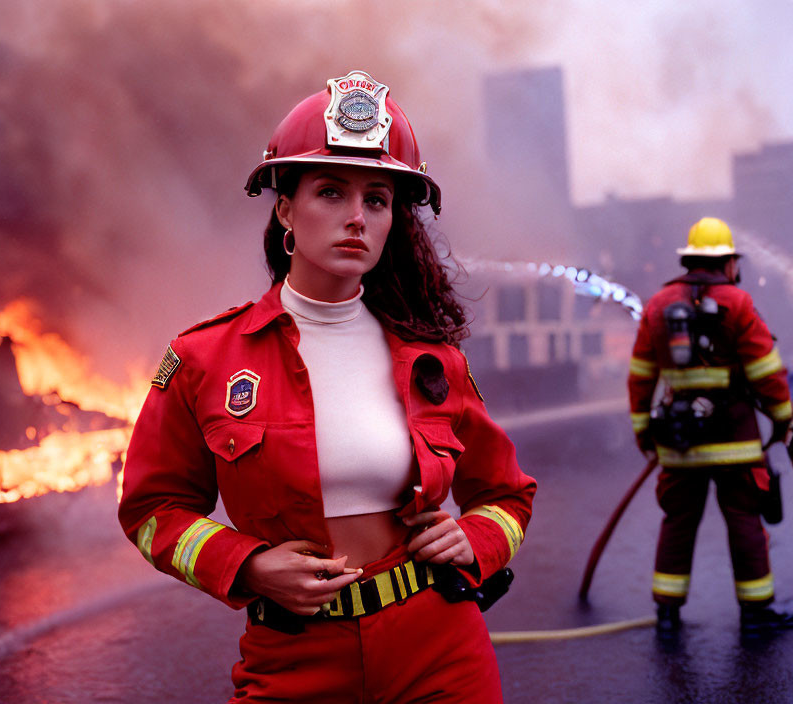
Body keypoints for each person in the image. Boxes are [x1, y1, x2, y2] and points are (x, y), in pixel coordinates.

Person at [118, 70, 536, 703]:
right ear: (285, 206)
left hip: (440, 650)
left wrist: (474, 537)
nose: (356, 218)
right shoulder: (202, 358)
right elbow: (152, 511)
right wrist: (248, 565)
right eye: (331, 192)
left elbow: (507, 493)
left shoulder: (433, 360)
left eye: (377, 199)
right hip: (293, 657)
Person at [627, 216, 793, 637]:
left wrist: (645, 431)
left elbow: (641, 374)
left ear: (690, 259)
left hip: (678, 441)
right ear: (729, 263)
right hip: (735, 442)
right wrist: (783, 419)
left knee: (677, 523)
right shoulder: (737, 303)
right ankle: (756, 615)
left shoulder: (659, 304)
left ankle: (667, 615)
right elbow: (765, 371)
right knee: (745, 524)